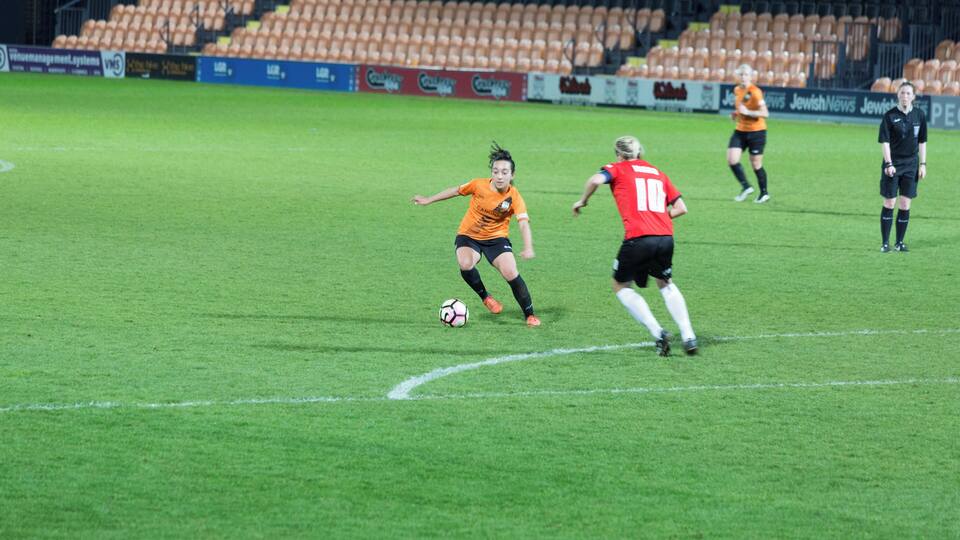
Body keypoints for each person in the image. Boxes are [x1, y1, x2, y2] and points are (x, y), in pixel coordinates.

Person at [572, 136, 697, 356]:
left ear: (619, 154)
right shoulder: (657, 172)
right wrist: (659, 217)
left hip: (639, 238)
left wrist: (583, 201)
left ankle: (658, 333)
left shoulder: (617, 168)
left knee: (620, 285)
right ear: (639, 153)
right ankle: (688, 336)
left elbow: (595, 180)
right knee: (665, 283)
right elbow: (681, 208)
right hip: (665, 237)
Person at [412, 143, 540, 326]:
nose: (499, 176)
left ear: (512, 175)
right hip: (468, 236)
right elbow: (455, 190)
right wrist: (428, 200)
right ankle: (486, 297)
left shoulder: (515, 197)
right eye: (495, 171)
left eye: (504, 172)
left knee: (511, 272)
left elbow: (523, 223)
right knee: (465, 264)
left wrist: (528, 247)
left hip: (496, 239)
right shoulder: (478, 185)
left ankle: (529, 315)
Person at [878, 81, 927, 253]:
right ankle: (885, 243)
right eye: (902, 93)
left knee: (905, 204)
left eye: (908, 93)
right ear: (897, 95)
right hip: (893, 165)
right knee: (890, 202)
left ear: (913, 97)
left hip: (911, 165)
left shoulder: (920, 116)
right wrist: (888, 163)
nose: (905, 96)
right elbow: (884, 142)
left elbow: (922, 141)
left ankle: (899, 243)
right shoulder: (889, 116)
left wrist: (923, 164)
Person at [727, 64, 771, 203]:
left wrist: (748, 112)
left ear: (751, 77)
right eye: (741, 74)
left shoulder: (755, 92)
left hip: (757, 132)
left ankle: (764, 193)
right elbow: (741, 108)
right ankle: (746, 187)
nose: (743, 77)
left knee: (756, 163)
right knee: (732, 159)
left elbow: (765, 113)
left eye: (746, 74)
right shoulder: (737, 90)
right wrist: (736, 114)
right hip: (740, 130)